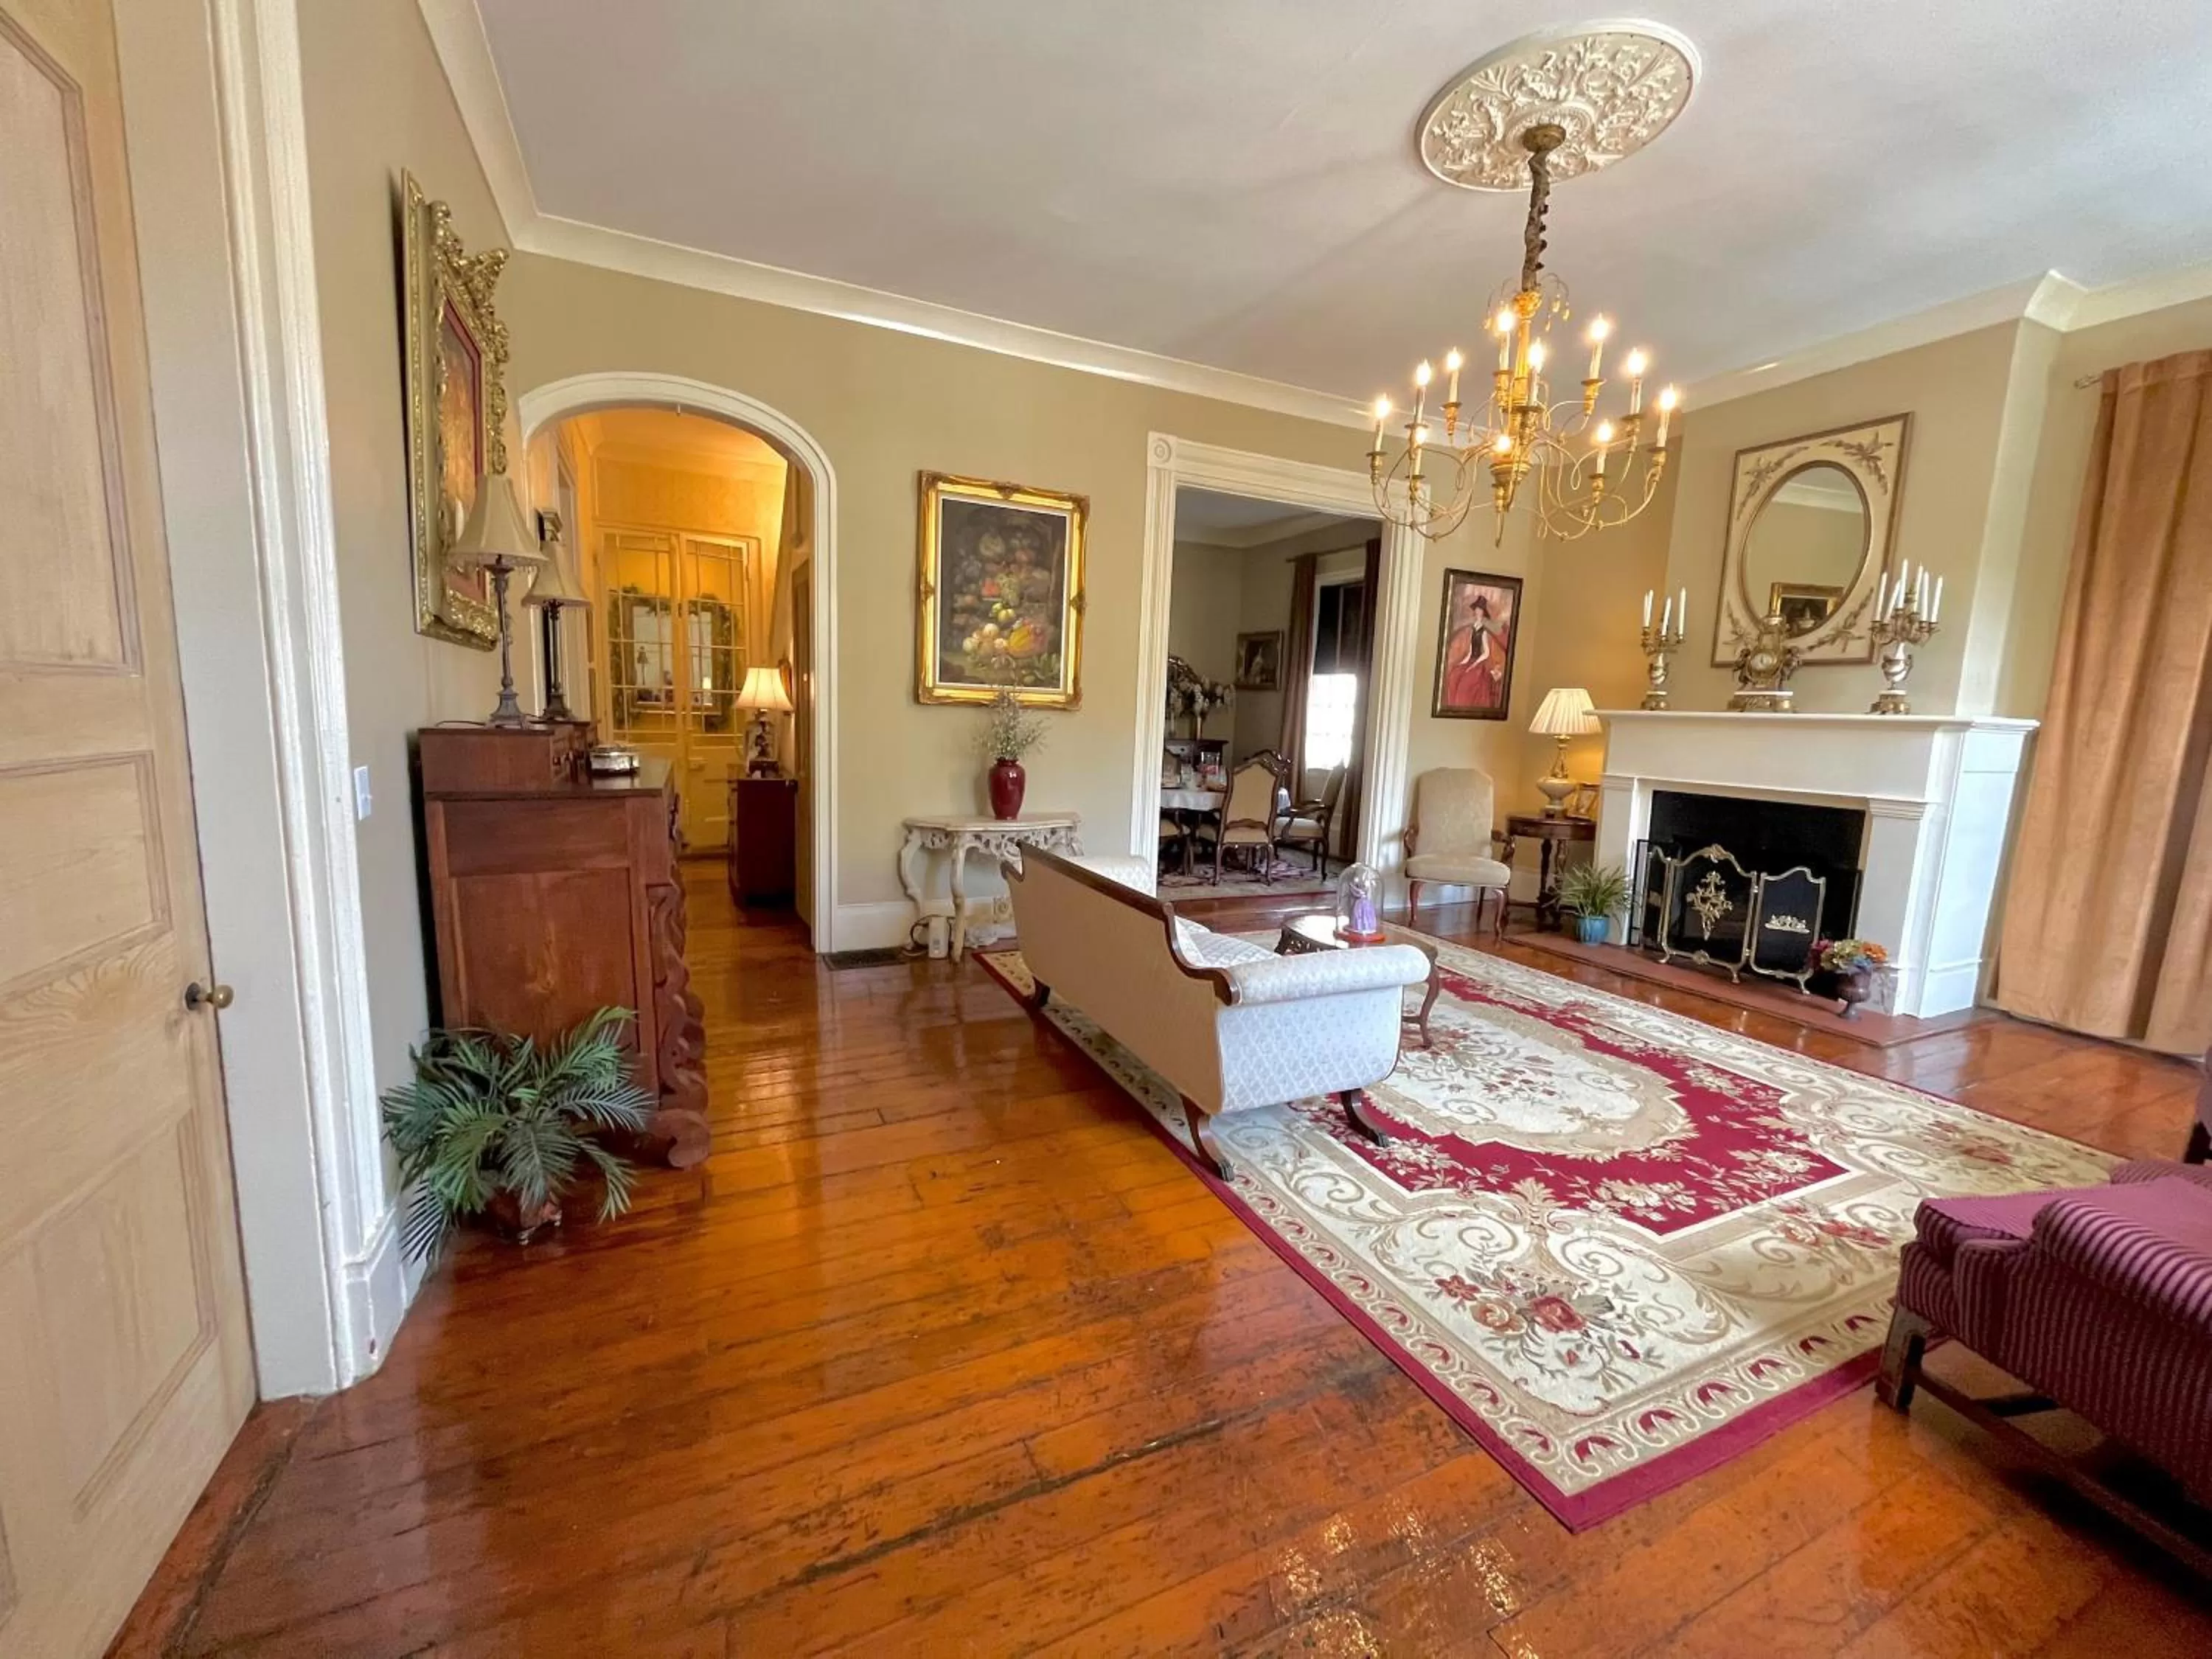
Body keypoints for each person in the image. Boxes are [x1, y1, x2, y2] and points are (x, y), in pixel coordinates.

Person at [1441, 589, 1509, 710]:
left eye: (1480, 610)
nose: (1478, 612)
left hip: (1480, 663)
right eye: (1477, 610)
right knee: (1455, 674)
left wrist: (1474, 665)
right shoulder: (1473, 629)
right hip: (1471, 660)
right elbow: (1471, 651)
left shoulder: (1484, 631)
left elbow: (1486, 653)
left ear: (1483, 613)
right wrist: (1463, 663)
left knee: (1467, 681)